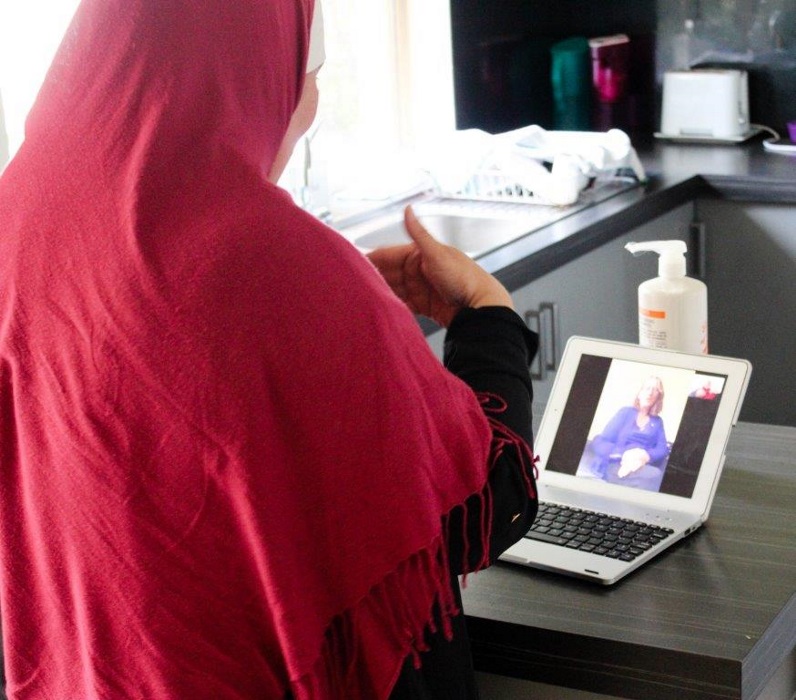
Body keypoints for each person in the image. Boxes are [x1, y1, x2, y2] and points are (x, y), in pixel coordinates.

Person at [0, 1, 538, 698]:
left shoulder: (16, 229)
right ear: (244, 66)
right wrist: (486, 314)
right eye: (304, 70)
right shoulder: (271, 263)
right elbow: (485, 507)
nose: (306, 102)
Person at [580, 377, 669, 491]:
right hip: (616, 463)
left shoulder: (657, 422)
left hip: (639, 464)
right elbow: (601, 441)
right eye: (647, 388)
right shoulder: (625, 412)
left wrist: (645, 456)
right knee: (654, 477)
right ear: (640, 393)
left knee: (657, 475)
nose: (650, 392)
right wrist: (624, 454)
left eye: (655, 389)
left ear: (658, 396)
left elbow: (662, 449)